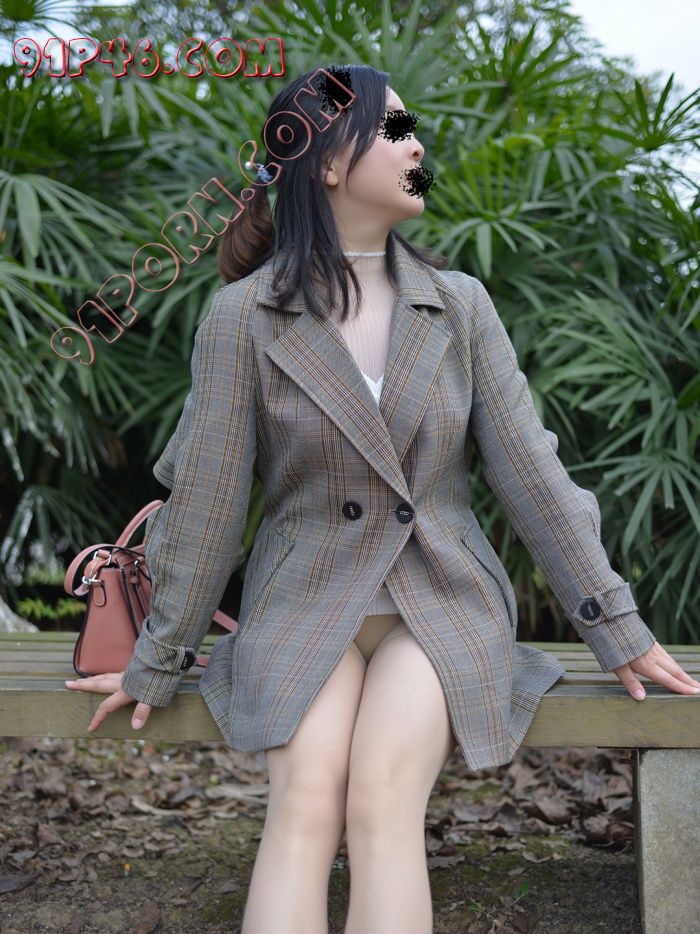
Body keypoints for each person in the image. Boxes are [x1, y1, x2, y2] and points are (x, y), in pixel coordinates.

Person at [65, 63, 700, 934]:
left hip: (441, 598)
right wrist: (159, 655)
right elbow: (207, 503)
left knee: (382, 799)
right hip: (302, 601)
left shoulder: (460, 306)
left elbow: (533, 475)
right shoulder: (243, 317)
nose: (418, 147)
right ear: (329, 162)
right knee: (303, 803)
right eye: (395, 130)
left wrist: (615, 624)